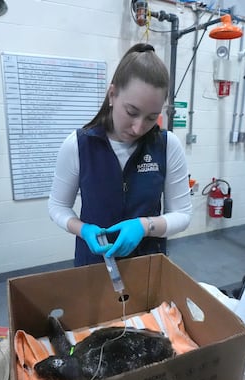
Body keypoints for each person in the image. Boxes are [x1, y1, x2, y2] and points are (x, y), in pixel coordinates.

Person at [48, 43, 192, 267]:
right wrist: (83, 229)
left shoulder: (167, 145)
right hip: (94, 264)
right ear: (112, 95)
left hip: (148, 264)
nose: (138, 128)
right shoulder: (78, 145)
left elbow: (182, 215)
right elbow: (57, 206)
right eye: (131, 112)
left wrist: (145, 226)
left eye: (151, 117)